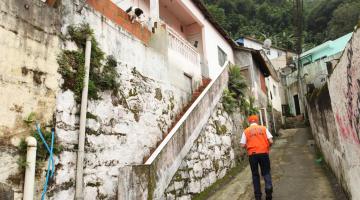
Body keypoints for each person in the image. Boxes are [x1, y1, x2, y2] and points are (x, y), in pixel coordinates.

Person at [240, 115, 274, 200]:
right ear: (257, 121)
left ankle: (258, 196)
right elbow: (271, 141)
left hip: (252, 155)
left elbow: (242, 145)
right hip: (263, 153)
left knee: (255, 175)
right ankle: (268, 191)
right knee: (266, 172)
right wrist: (267, 146)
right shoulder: (263, 128)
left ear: (249, 122)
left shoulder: (246, 131)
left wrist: (249, 147)